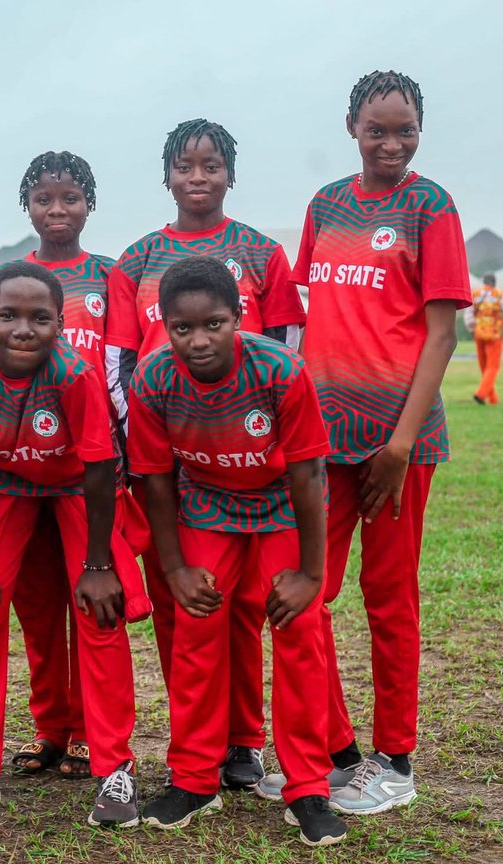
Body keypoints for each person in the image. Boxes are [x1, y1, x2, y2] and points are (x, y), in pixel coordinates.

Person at [262, 70, 471, 814]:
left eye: (405, 129)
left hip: (396, 445)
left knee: (390, 600)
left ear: (420, 131)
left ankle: (397, 763)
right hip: (323, 440)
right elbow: (316, 315)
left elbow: (442, 333)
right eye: (377, 128)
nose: (392, 142)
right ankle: (337, 748)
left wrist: (400, 442)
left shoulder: (431, 208)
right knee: (301, 593)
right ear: (352, 126)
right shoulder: (327, 207)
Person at [105, 119, 306, 789]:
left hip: (258, 463)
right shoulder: (134, 260)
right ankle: (201, 752)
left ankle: (244, 742)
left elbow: (286, 351)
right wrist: (156, 443)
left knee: (253, 607)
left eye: (211, 164)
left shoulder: (259, 253)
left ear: (229, 173)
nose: (198, 176)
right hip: (177, 462)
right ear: (166, 176)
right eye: (184, 166)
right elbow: (122, 364)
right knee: (192, 606)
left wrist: (254, 434)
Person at [129, 256, 346, 847]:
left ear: (239, 316)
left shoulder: (278, 370)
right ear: (165, 325)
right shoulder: (152, 380)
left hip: (280, 504)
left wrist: (309, 573)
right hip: (207, 505)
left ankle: (308, 786)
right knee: (199, 630)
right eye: (183, 329)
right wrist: (173, 567)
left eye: (214, 324)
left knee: (300, 630)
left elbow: (307, 475)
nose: (199, 341)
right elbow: (155, 479)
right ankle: (195, 777)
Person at [0, 261, 149, 827]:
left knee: (101, 613)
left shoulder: (74, 374)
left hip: (77, 482)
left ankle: (115, 769)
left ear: (61, 324)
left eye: (40, 318)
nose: (23, 329)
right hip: (3, 481)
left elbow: (102, 466)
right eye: (8, 315)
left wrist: (99, 563)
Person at [11, 151, 151, 780]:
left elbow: (122, 364)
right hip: (20, 466)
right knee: (38, 609)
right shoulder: (7, 273)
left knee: (96, 604)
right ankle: (52, 730)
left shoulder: (109, 274)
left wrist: (122, 450)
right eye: (44, 199)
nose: (57, 210)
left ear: (89, 204)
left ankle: (102, 740)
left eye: (70, 198)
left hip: (92, 465)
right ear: (28, 207)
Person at [472, 274, 501, 405]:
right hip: (494, 334)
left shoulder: (476, 294)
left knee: (484, 365)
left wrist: (473, 327)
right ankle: (481, 394)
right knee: (492, 366)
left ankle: (493, 398)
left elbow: (469, 313)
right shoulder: (498, 294)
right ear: (494, 283)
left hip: (479, 332)